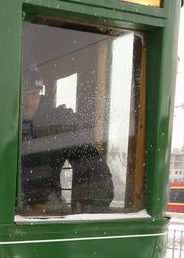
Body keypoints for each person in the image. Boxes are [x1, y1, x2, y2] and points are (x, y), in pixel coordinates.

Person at [20, 69, 115, 214]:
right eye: (23, 95)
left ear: (40, 96)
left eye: (33, 95)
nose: (28, 102)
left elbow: (94, 170)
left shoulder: (58, 124)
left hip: (48, 213)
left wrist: (94, 210)